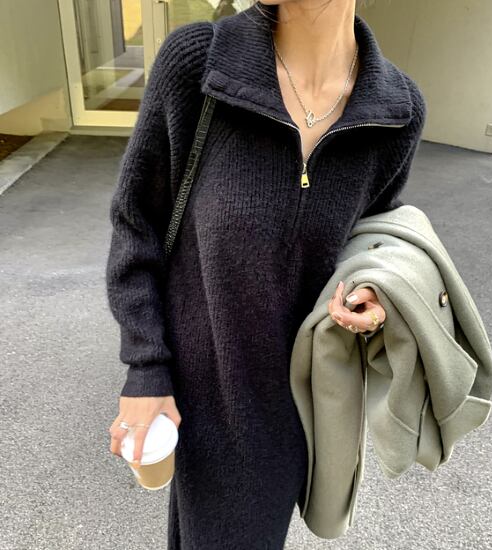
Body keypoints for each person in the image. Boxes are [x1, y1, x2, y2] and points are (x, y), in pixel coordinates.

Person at [106, 1, 426, 548]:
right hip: (201, 394)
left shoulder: (396, 111)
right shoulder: (199, 64)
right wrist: (146, 367)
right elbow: (137, 223)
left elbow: (372, 238)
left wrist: (375, 294)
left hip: (301, 402)